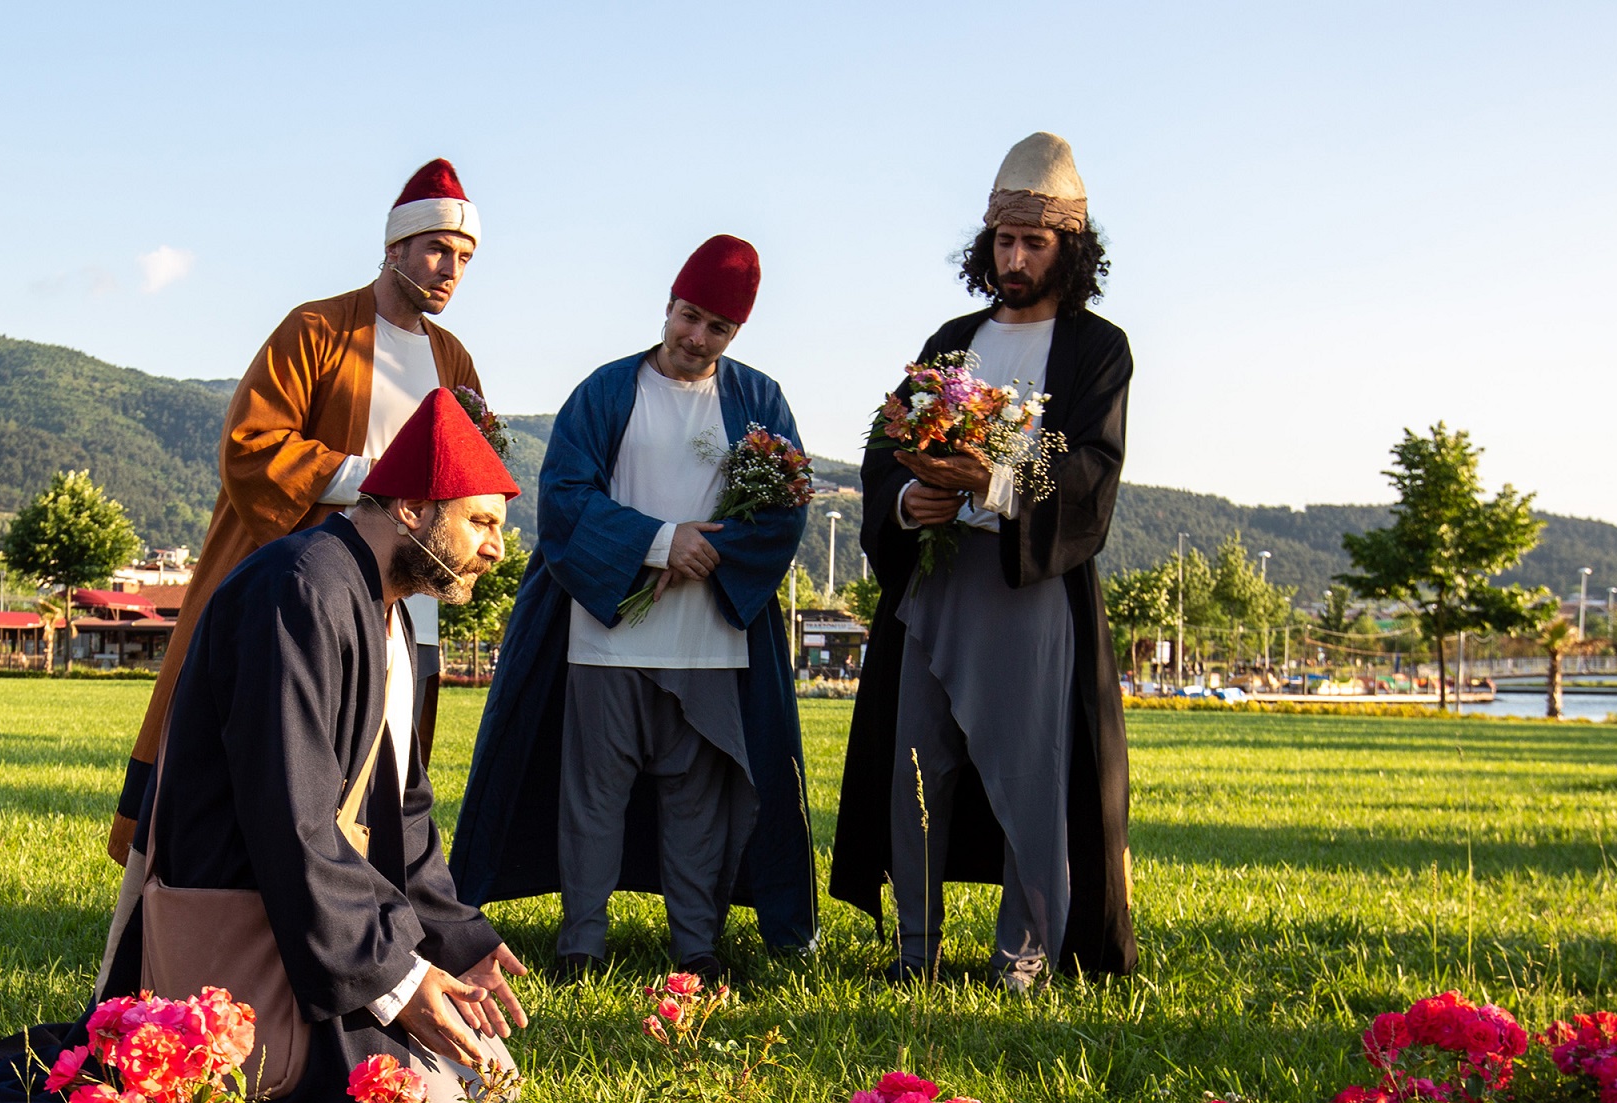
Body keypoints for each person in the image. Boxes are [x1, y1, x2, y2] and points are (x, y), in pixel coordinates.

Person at [98, 159, 494, 988]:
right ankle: (205, 914)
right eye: (435, 249)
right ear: (394, 246)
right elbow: (251, 448)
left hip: (404, 600)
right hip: (299, 594)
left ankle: (366, 928)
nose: (450, 270)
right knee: (279, 760)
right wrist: (379, 480)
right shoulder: (317, 331)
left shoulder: (454, 359)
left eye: (464, 258)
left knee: (387, 768)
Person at [104, 390, 529, 1103]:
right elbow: (287, 814)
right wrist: (397, 979)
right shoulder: (299, 587)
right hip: (249, 895)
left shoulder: (385, 607)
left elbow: (402, 806)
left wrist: (457, 939)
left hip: (312, 901)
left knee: (487, 1074)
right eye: (481, 523)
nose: (495, 549)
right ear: (410, 508)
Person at [451, 237, 813, 979]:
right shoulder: (607, 391)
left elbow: (786, 507)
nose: (696, 337)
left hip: (709, 642)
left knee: (698, 803)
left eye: (717, 327)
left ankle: (696, 946)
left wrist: (706, 553)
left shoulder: (759, 400)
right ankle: (581, 942)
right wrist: (660, 544)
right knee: (593, 797)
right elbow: (565, 499)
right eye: (689, 316)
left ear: (736, 332)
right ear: (668, 306)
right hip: (606, 639)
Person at [827, 132, 1136, 989]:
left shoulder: (1097, 349)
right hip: (935, 582)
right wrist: (907, 499)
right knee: (915, 767)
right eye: (1004, 240)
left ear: (1069, 248)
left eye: (1033, 242)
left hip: (1027, 584)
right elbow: (887, 445)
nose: (1014, 258)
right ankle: (915, 949)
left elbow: (1090, 471)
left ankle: (1022, 955)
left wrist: (994, 483)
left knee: (1029, 774)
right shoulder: (952, 338)